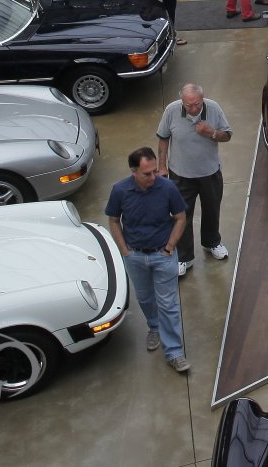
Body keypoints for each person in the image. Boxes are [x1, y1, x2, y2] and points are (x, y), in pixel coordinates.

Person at [105, 147, 189, 373]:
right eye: (147, 173)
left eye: (154, 171)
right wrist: (125, 251)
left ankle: (174, 352)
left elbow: (180, 217)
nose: (153, 177)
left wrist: (170, 247)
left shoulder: (167, 188)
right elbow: (113, 220)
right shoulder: (120, 191)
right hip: (135, 256)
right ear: (133, 172)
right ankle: (154, 327)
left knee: (168, 304)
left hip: (163, 255)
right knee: (144, 298)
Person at [156, 83, 233, 276]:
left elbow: (227, 135)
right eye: (189, 105)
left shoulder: (213, 108)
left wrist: (211, 132)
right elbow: (163, 138)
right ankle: (184, 257)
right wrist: (162, 167)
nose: (193, 109)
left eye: (197, 104)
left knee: (212, 210)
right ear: (182, 101)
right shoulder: (171, 111)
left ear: (202, 98)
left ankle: (212, 242)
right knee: (181, 216)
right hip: (180, 175)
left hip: (210, 173)